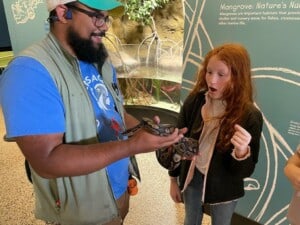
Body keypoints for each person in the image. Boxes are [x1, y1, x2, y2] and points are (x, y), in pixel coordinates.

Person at [0, 1, 184, 225]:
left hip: (117, 194)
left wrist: (149, 132)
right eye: (97, 16)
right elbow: (46, 162)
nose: (105, 26)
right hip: (81, 215)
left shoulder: (98, 57)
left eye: (106, 17)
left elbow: (116, 113)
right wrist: (132, 146)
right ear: (62, 12)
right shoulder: (28, 72)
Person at [168, 43, 263, 225]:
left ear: (237, 77)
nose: (212, 81)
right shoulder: (195, 100)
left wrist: (242, 152)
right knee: (190, 220)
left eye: (221, 74)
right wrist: (173, 179)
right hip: (192, 174)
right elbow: (177, 142)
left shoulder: (250, 116)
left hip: (225, 187)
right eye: (209, 72)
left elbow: (245, 171)